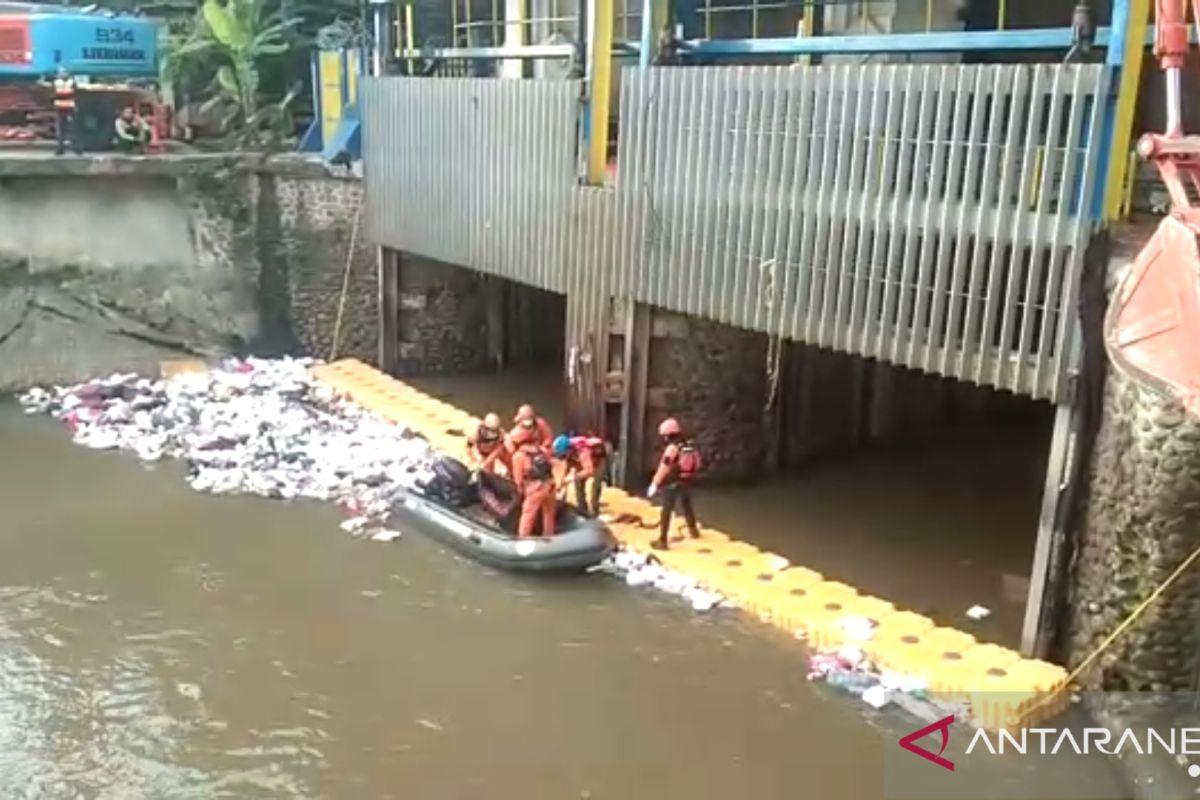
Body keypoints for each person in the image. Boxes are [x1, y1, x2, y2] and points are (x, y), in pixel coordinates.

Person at [647, 417, 702, 550]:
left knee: (666, 510)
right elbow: (698, 463)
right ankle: (693, 530)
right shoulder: (689, 444)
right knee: (687, 505)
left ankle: (662, 541)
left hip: (674, 482)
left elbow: (664, 467)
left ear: (668, 434)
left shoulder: (672, 448)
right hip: (688, 480)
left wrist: (655, 483)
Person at [511, 426, 557, 538]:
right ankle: (548, 538)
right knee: (549, 515)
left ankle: (522, 540)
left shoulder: (519, 456)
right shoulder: (542, 450)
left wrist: (521, 491)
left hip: (535, 489)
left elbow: (518, 479)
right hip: (550, 486)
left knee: (527, 516)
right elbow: (551, 464)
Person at [551, 433, 608, 518]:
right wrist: (560, 484)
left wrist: (571, 478)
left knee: (596, 483)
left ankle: (595, 511)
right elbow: (565, 469)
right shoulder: (567, 454)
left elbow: (589, 471)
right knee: (578, 482)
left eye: (563, 454)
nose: (562, 457)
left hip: (598, 460)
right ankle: (583, 511)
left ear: (569, 449)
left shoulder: (582, 450)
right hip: (582, 463)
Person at [47, 65, 81, 156]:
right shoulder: (56, 82)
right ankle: (60, 149)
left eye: (64, 72)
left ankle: (76, 148)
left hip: (70, 108)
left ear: (68, 73)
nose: (63, 74)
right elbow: (52, 95)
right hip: (60, 108)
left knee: (73, 129)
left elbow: (76, 95)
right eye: (61, 72)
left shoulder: (72, 82)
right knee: (61, 130)